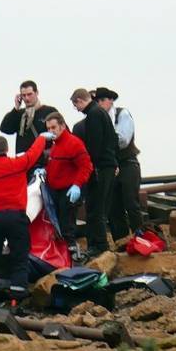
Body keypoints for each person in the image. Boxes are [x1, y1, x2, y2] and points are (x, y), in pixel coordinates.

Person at [0, 131, 55, 312]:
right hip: (16, 218)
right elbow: (33, 153)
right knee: (19, 260)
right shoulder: (17, 164)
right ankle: (15, 303)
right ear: (7, 149)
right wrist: (41, 138)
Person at [70, 88, 118, 258]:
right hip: (107, 166)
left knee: (95, 208)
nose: (76, 109)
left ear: (80, 101)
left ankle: (99, 246)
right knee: (98, 207)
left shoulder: (93, 116)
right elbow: (112, 140)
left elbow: (94, 145)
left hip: (100, 168)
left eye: (75, 105)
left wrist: (90, 166)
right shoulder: (100, 113)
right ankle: (99, 244)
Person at [40, 112, 93, 262]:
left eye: (54, 127)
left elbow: (86, 166)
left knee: (67, 226)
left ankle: (73, 258)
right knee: (58, 225)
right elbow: (56, 165)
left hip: (68, 191)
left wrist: (77, 185)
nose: (51, 131)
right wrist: (45, 170)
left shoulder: (74, 143)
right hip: (55, 190)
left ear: (62, 126)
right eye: (48, 128)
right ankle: (63, 257)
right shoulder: (55, 146)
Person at [94, 87, 143, 240]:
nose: (100, 104)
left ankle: (140, 237)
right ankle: (121, 241)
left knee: (131, 202)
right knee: (114, 208)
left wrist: (104, 138)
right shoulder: (98, 119)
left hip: (127, 163)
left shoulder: (122, 114)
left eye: (103, 100)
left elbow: (123, 140)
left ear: (111, 101)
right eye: (98, 101)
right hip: (110, 166)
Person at [0, 80, 58, 176]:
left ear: (37, 93)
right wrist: (16, 108)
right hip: (24, 166)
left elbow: (63, 134)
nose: (27, 98)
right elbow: (5, 128)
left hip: (43, 164)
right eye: (23, 95)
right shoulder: (19, 114)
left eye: (29, 94)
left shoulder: (49, 111)